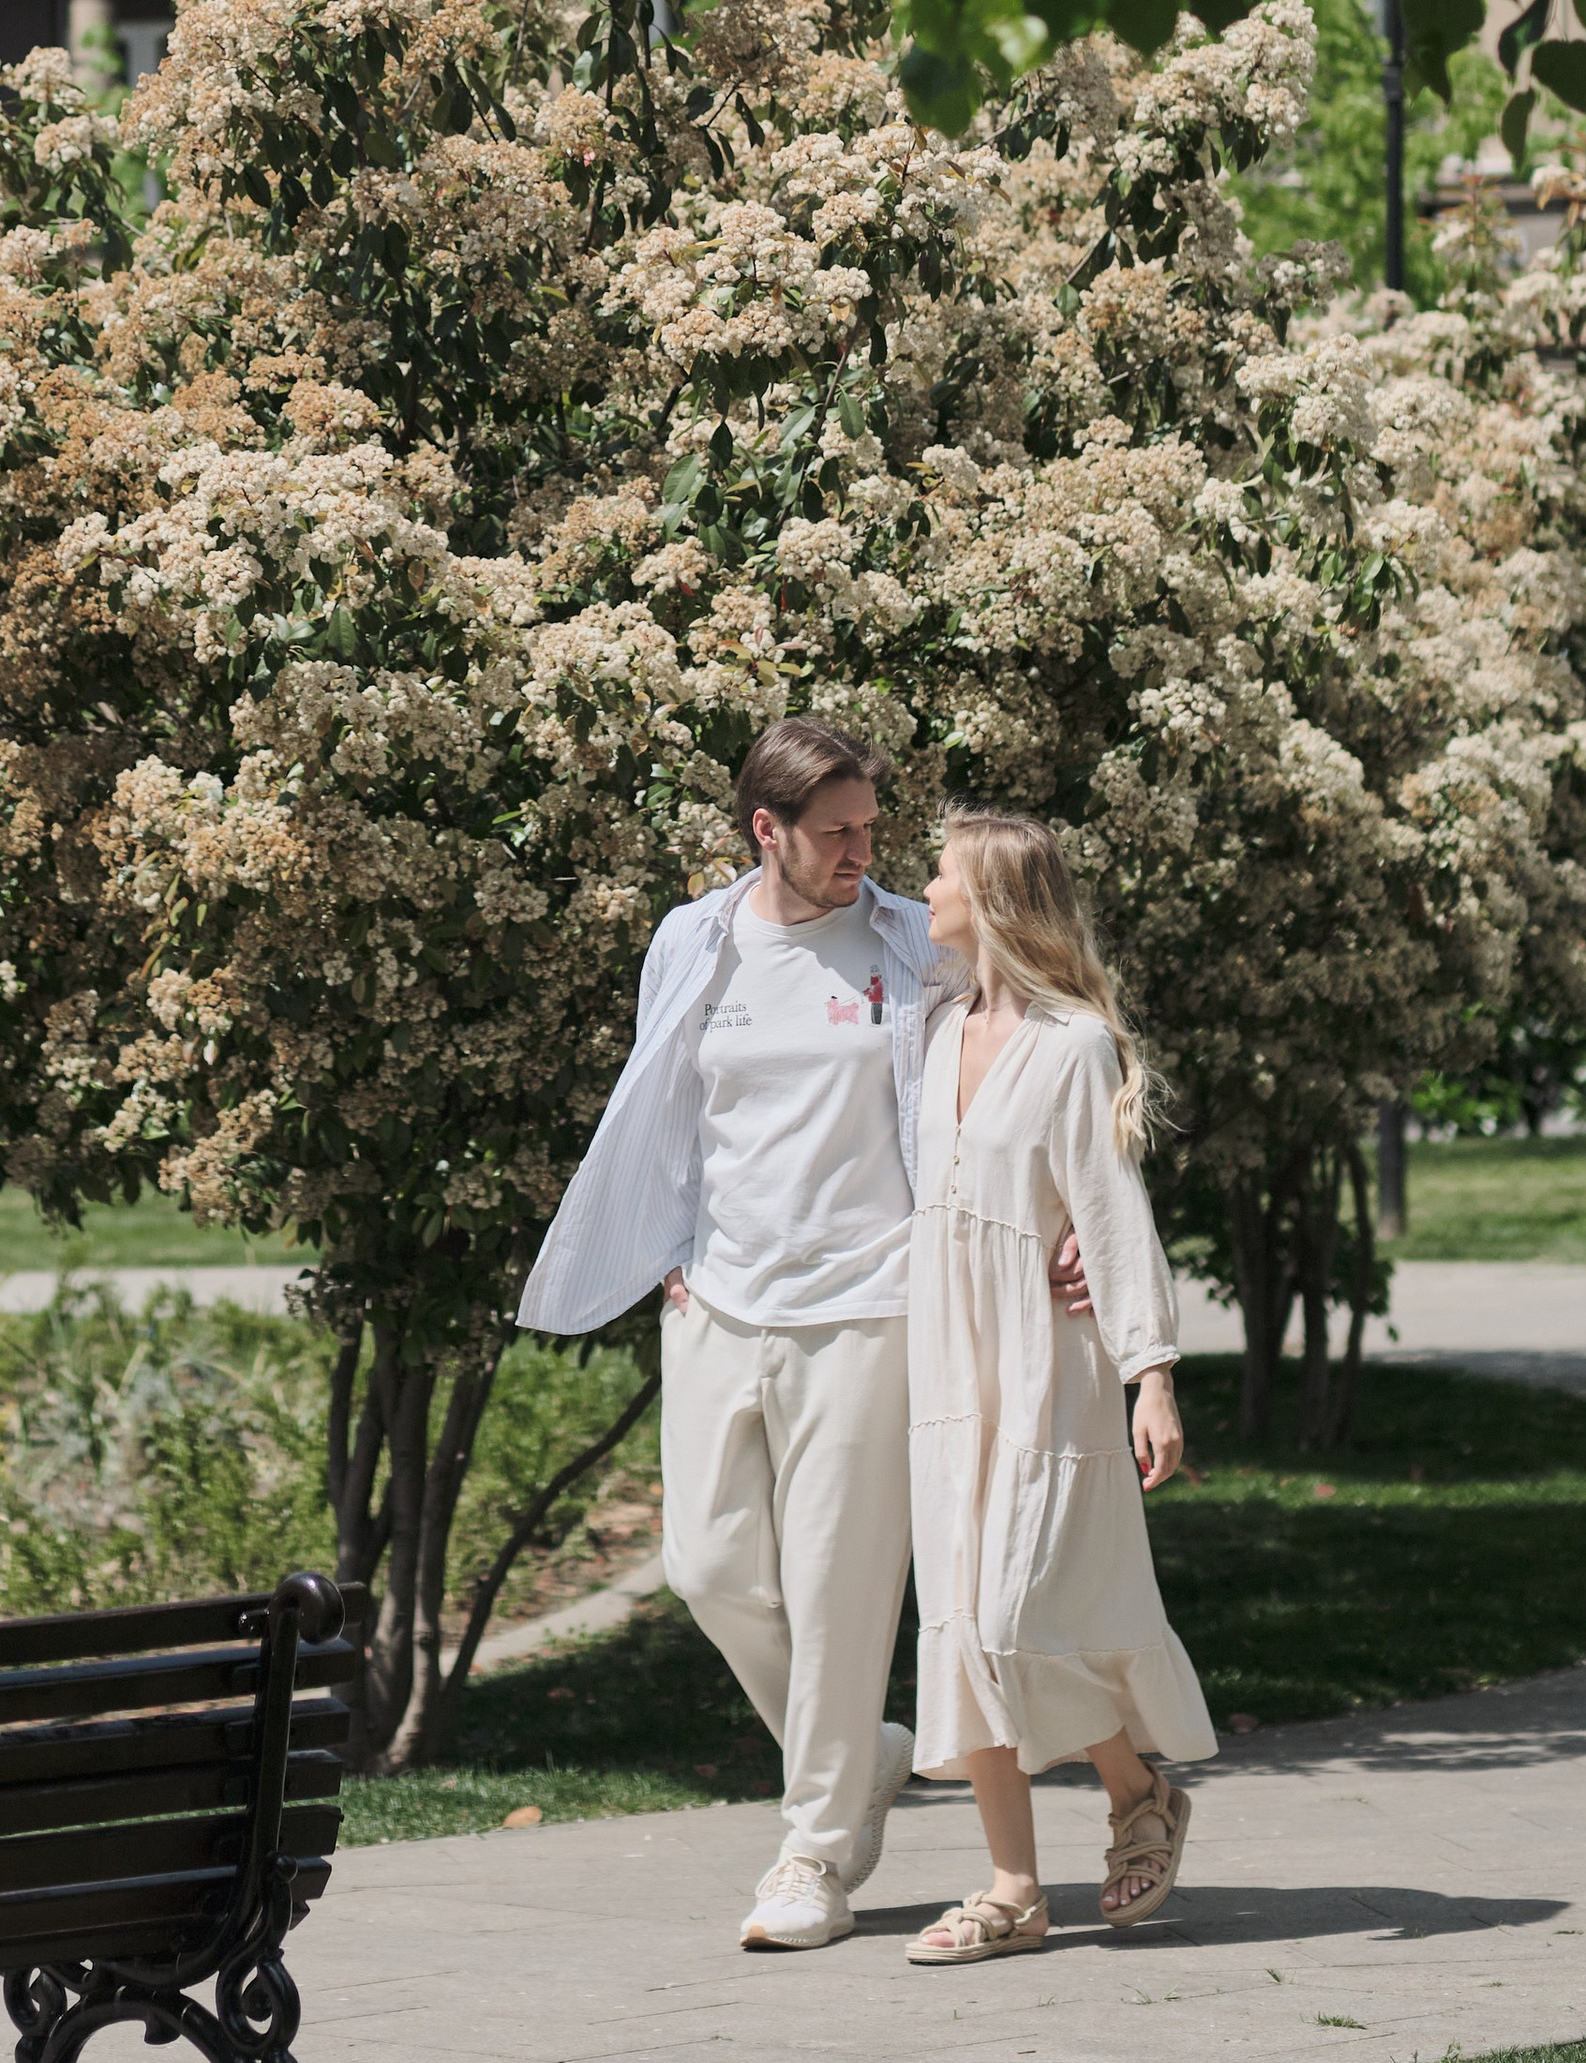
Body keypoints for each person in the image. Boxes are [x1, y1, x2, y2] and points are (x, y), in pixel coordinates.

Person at [519, 718, 1093, 1953]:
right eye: (835, 832)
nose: (860, 852)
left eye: (872, 828)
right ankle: (867, 1751)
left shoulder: (907, 940)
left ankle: (815, 1858)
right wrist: (671, 1246)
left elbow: (1032, 1055)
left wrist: (1076, 1215)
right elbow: (665, 1103)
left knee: (839, 1597)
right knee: (709, 1568)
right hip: (719, 1300)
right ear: (763, 831)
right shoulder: (694, 941)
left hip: (873, 1307)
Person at [903, 807, 1217, 1966]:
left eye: (938, 869)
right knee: (962, 1625)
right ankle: (1012, 1890)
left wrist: (1152, 1378)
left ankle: (1138, 1790)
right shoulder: (936, 1035)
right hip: (947, 1368)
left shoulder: (1075, 1044)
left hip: (1048, 1367)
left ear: (987, 895)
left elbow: (1110, 1216)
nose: (919, 884)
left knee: (1018, 1613)